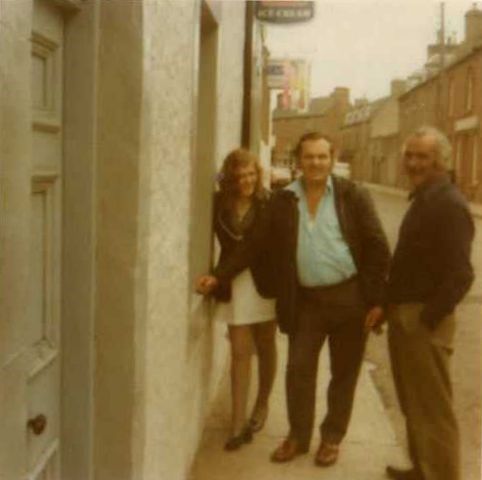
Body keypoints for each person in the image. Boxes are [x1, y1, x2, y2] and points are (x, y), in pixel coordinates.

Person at [270, 132, 390, 466]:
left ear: (332, 158)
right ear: (298, 161)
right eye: (309, 157)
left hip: (349, 299)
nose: (316, 163)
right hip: (306, 301)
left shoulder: (353, 195)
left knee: (345, 372)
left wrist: (376, 300)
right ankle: (298, 436)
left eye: (322, 156)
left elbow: (378, 247)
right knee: (298, 369)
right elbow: (262, 247)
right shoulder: (284, 199)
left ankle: (332, 438)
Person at [384, 126, 474, 480]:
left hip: (424, 320)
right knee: (413, 403)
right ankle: (423, 469)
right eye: (410, 155)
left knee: (433, 409)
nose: (413, 163)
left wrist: (428, 318)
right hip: (406, 315)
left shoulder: (448, 203)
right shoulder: (425, 197)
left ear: (442, 161)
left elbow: (461, 275)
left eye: (422, 156)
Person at [196, 148, 277, 451]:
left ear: (258, 175)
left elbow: (254, 247)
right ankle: (237, 423)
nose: (246, 180)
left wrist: (217, 276)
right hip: (233, 286)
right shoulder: (220, 203)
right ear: (231, 178)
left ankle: (262, 403)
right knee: (241, 352)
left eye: (251, 173)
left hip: (263, 284)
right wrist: (218, 277)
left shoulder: (269, 203)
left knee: (266, 346)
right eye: (240, 175)